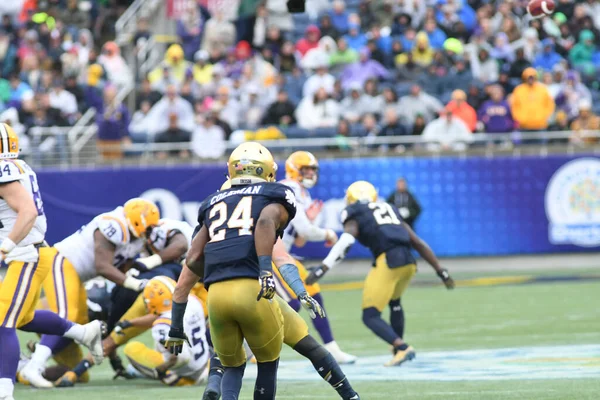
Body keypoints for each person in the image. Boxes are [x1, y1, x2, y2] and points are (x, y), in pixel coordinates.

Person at [165, 142, 297, 400]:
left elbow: (191, 261)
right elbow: (265, 224)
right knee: (269, 362)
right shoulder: (275, 196)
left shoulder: (211, 204)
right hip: (252, 288)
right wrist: (265, 271)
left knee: (230, 364)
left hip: (216, 295)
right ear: (266, 171)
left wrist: (176, 329)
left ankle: (215, 388)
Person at [0, 123, 104, 400]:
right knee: (24, 318)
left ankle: (5, 393)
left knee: (3, 321)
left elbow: (27, 212)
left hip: (27, 254)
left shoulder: (5, 169)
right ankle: (84, 333)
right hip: (29, 253)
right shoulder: (17, 167)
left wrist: (5, 246)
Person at [305, 181, 455, 367]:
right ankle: (397, 351)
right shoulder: (390, 209)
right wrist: (441, 272)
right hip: (408, 262)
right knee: (395, 303)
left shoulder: (354, 211)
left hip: (389, 261)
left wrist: (323, 268)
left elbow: (346, 240)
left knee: (370, 315)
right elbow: (417, 242)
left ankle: (401, 347)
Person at [20, 199, 160, 388]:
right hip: (61, 261)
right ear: (138, 220)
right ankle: (34, 366)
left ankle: (29, 362)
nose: (150, 233)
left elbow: (122, 270)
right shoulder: (114, 224)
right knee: (65, 315)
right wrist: (135, 284)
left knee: (78, 324)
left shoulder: (137, 240)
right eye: (149, 227)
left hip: (78, 276)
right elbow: (102, 266)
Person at [54, 218, 195, 387]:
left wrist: (151, 261)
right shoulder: (143, 246)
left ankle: (74, 372)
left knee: (118, 332)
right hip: (160, 292)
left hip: (161, 290)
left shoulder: (164, 228)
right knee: (117, 331)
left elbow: (180, 245)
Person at [275, 151, 356, 364]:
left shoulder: (302, 193)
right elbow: (306, 230)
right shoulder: (290, 188)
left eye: (313, 170)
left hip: (285, 253)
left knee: (312, 294)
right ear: (295, 170)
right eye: (306, 169)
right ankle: (251, 347)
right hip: (269, 252)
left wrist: (308, 223)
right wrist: (327, 233)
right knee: (290, 305)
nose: (311, 173)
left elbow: (300, 238)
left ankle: (333, 349)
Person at [122, 277, 209, 386]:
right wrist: (131, 323)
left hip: (186, 372)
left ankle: (172, 377)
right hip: (203, 363)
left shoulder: (162, 325)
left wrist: (161, 370)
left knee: (131, 348)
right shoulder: (193, 301)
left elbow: (182, 357)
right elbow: (161, 314)